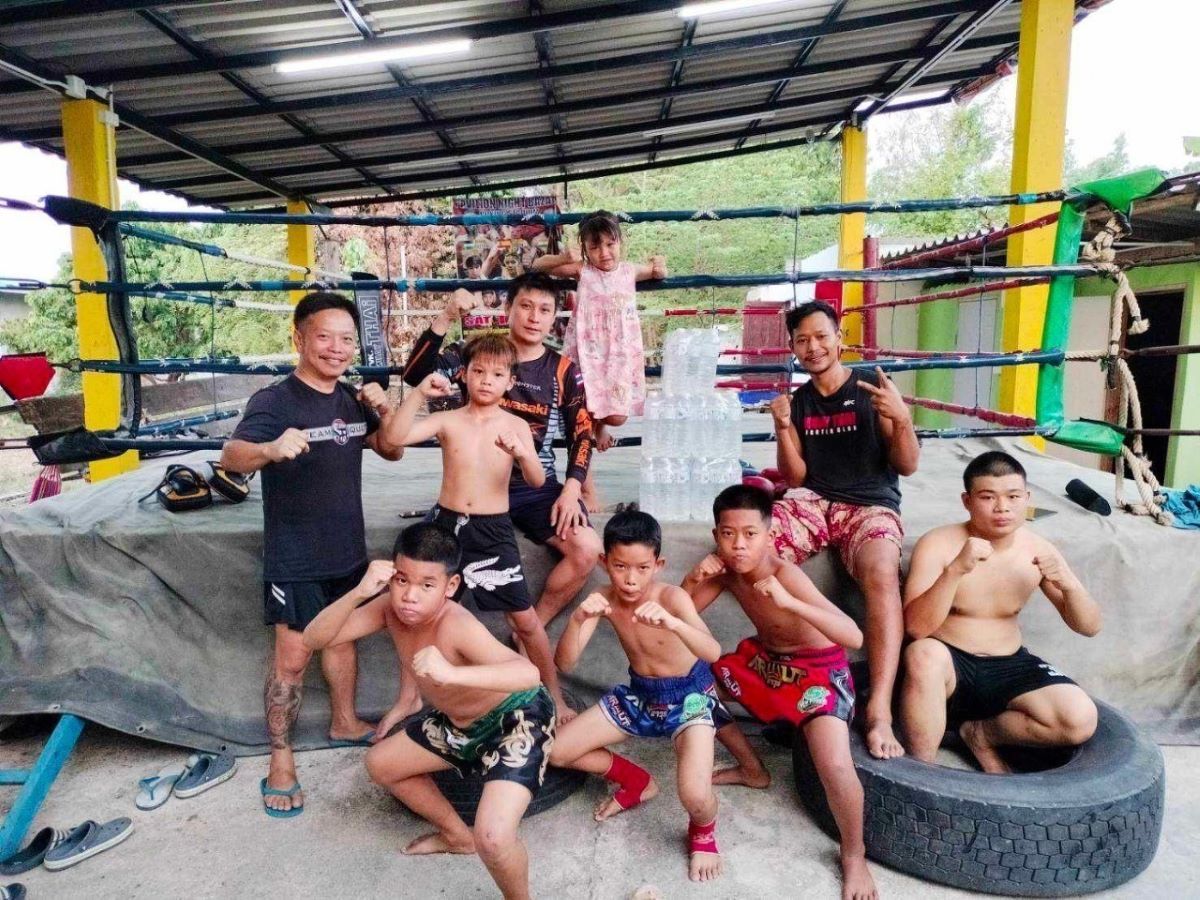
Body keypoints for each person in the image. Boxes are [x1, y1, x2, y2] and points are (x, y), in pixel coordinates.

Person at [219, 291, 404, 817]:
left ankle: (344, 721)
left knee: (342, 642)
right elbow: (230, 455)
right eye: (325, 336)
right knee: (293, 658)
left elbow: (392, 450)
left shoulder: (350, 399)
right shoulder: (275, 400)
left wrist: (385, 408)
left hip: (347, 550)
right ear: (299, 338)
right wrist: (270, 450)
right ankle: (280, 759)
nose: (337, 348)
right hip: (295, 556)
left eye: (347, 338)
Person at [302, 523, 553, 900]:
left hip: (514, 718)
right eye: (401, 581)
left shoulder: (456, 624)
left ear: (450, 587)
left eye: (426, 585)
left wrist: (452, 672)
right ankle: (456, 835)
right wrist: (358, 593)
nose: (409, 597)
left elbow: (528, 675)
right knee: (381, 764)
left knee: (494, 838)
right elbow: (314, 638)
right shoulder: (388, 608)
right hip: (458, 724)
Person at [683, 484, 876, 900]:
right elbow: (674, 615)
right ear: (716, 534)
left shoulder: (787, 575)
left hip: (817, 674)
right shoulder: (727, 573)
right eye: (728, 533)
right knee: (694, 692)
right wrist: (694, 576)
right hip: (765, 665)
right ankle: (753, 769)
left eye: (750, 534)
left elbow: (854, 636)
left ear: (769, 534)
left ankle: (854, 855)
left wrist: (792, 603)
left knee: (836, 767)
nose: (738, 545)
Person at [380, 333, 572, 723]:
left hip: (492, 530)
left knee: (524, 619)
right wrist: (418, 394)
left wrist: (521, 454)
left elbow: (537, 481)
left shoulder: (516, 425)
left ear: (510, 381)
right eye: (479, 371)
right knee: (416, 612)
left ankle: (554, 694)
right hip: (445, 526)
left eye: (497, 373)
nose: (486, 380)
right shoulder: (448, 419)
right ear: (464, 375)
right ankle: (408, 697)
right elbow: (394, 438)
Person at [402, 274, 602, 642]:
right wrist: (445, 316)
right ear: (508, 308)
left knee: (588, 547)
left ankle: (528, 633)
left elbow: (582, 433)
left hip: (532, 487)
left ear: (555, 317)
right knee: (425, 562)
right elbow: (414, 374)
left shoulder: (562, 369)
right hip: (472, 489)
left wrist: (573, 488)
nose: (533, 317)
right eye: (525, 306)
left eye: (545, 310)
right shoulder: (480, 353)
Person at [769, 300, 919, 760]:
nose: (812, 347)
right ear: (793, 349)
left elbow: (908, 465)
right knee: (749, 554)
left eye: (820, 336)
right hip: (813, 500)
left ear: (840, 339)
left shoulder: (873, 386)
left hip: (871, 503)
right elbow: (794, 478)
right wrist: (781, 427)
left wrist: (902, 417)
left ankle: (878, 710)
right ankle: (791, 677)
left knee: (880, 573)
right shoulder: (798, 401)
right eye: (802, 341)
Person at [549, 508, 726, 883]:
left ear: (658, 564)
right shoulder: (601, 598)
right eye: (620, 567)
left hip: (690, 697)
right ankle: (637, 781)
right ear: (603, 562)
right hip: (642, 696)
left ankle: (704, 830)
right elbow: (564, 662)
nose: (630, 579)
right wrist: (578, 619)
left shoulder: (673, 597)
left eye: (642, 568)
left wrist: (673, 622)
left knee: (695, 795)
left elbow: (713, 652)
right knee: (557, 750)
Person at [900, 451, 1101, 774]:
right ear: (967, 501)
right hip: (950, 663)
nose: (1002, 507)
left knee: (1079, 719)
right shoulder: (938, 544)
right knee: (923, 655)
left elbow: (1090, 626)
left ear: (1027, 498)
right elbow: (915, 629)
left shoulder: (1038, 549)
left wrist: (1070, 586)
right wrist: (954, 571)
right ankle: (922, 776)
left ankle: (981, 734)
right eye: (988, 497)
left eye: (1013, 496)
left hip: (1009, 664)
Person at [532, 211, 666, 510]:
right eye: (594, 247)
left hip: (619, 354)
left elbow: (658, 273)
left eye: (610, 244)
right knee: (579, 414)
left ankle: (600, 428)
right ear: (585, 249)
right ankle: (586, 487)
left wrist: (660, 266)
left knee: (618, 416)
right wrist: (562, 256)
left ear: (620, 241)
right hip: (588, 351)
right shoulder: (583, 271)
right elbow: (539, 267)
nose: (603, 253)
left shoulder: (630, 271)